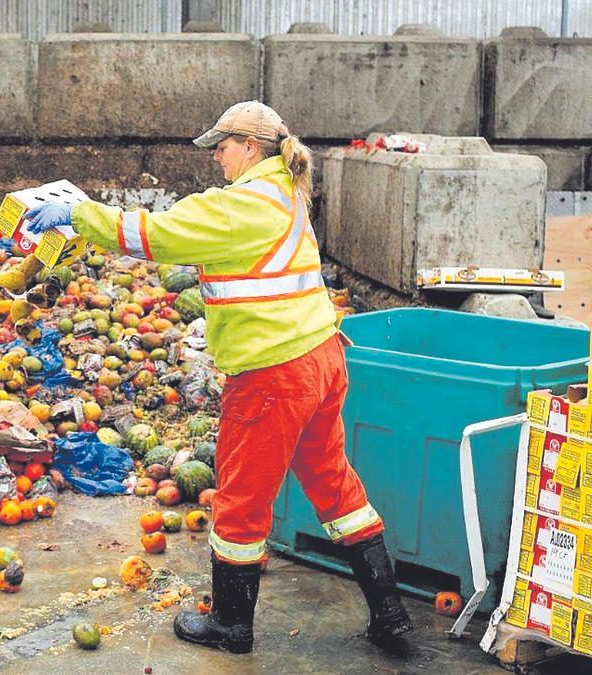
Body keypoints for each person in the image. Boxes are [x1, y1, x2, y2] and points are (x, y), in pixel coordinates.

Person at [23, 101, 412, 653]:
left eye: (222, 147)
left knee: (240, 498)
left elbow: (159, 234)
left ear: (250, 147)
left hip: (274, 372)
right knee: (335, 485)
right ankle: (390, 616)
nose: (218, 159)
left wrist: (80, 215)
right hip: (322, 356)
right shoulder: (285, 192)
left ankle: (231, 624)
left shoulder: (244, 205)